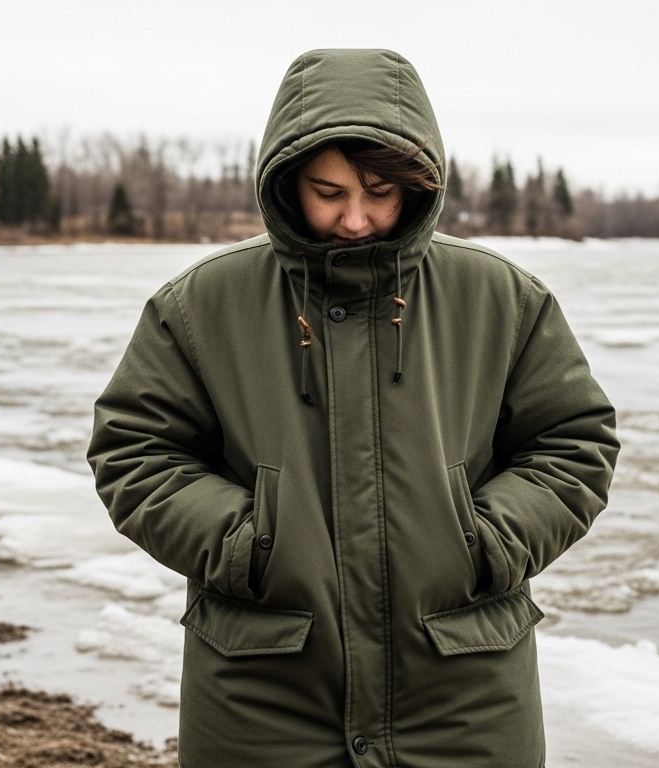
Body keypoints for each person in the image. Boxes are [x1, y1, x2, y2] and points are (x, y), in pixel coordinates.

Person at [88, 48, 618, 767]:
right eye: (328, 192)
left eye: (379, 191)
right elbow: (136, 451)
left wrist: (485, 541)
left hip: (462, 685)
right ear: (284, 183)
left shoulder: (502, 299)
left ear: (418, 183)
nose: (356, 219)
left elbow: (573, 443)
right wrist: (247, 545)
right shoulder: (201, 305)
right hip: (263, 687)